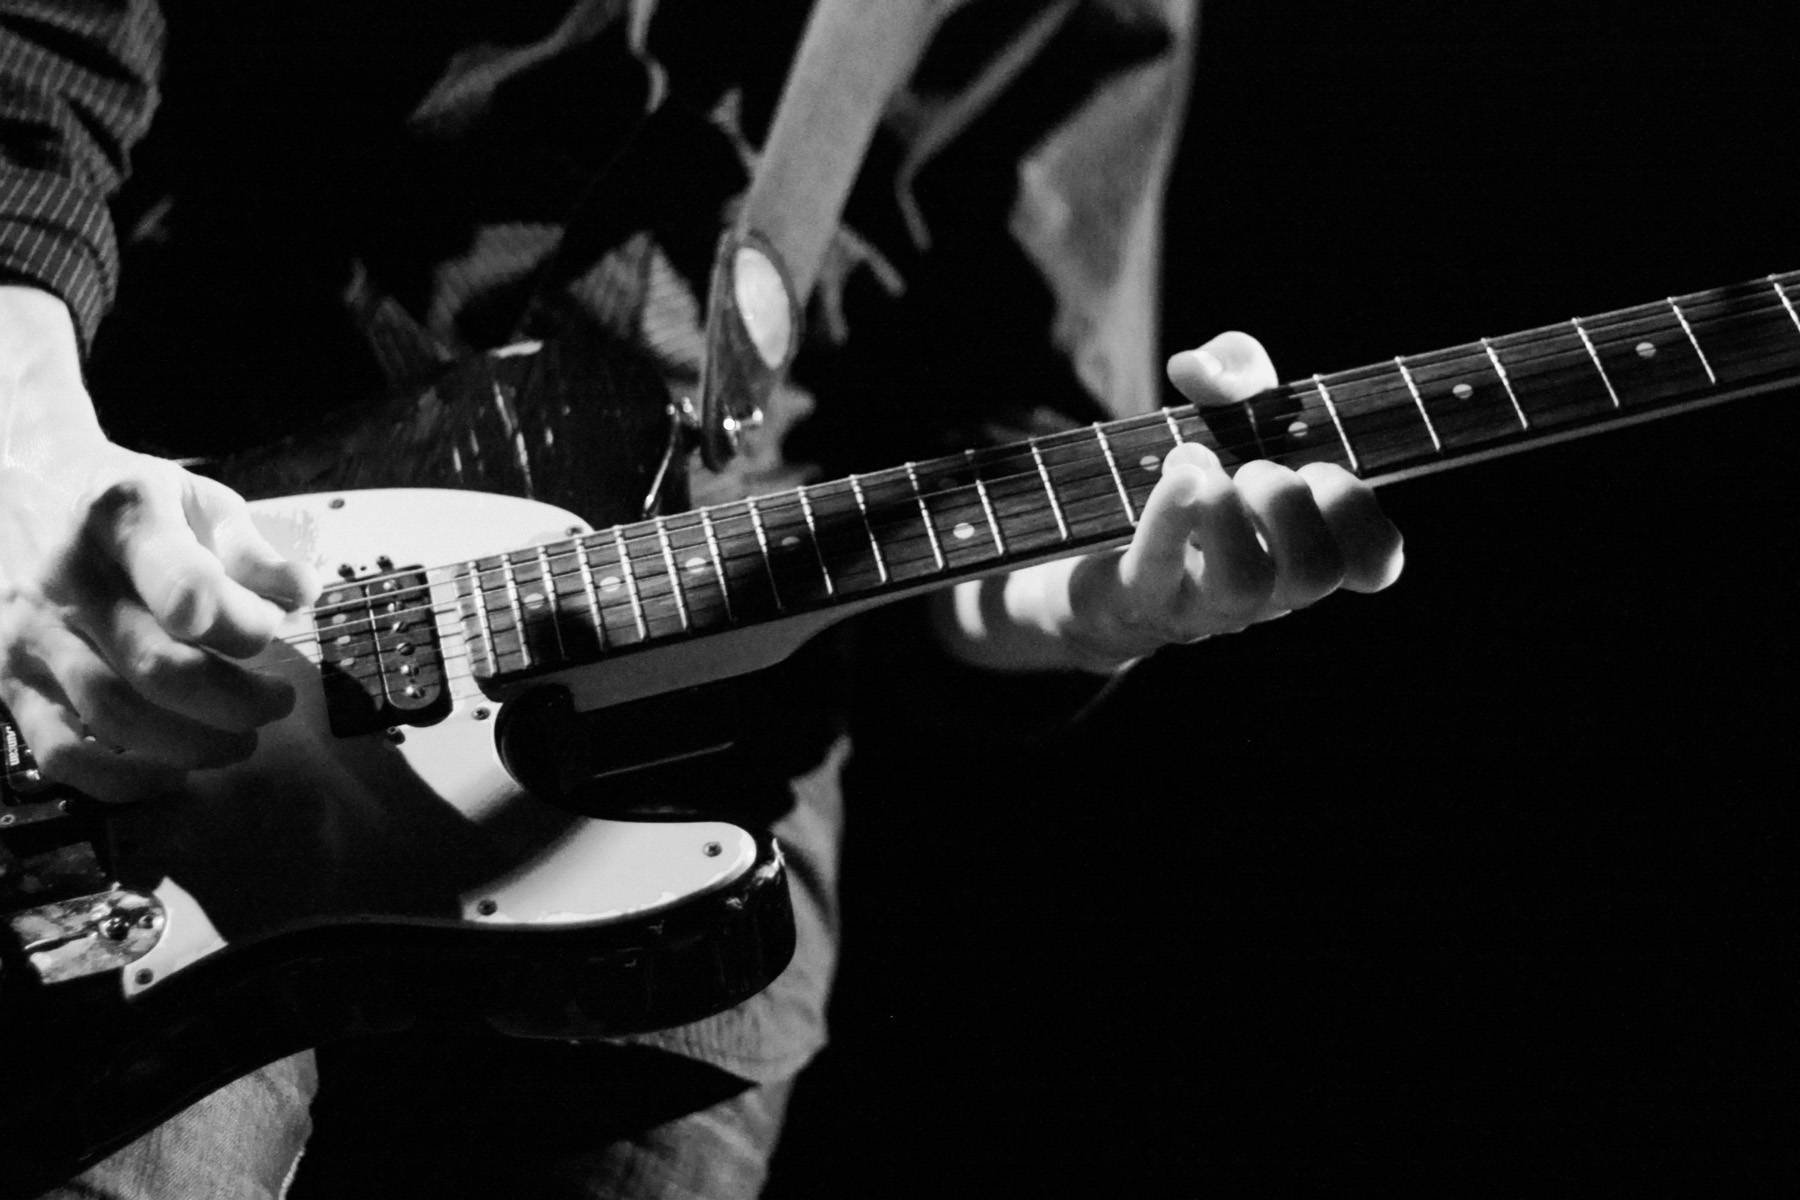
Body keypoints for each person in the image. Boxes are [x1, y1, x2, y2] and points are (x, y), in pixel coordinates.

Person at [0, 2, 1402, 1196]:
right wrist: (24, 433)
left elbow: (996, 406)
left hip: (703, 771)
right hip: (165, 542)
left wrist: (1097, 598)